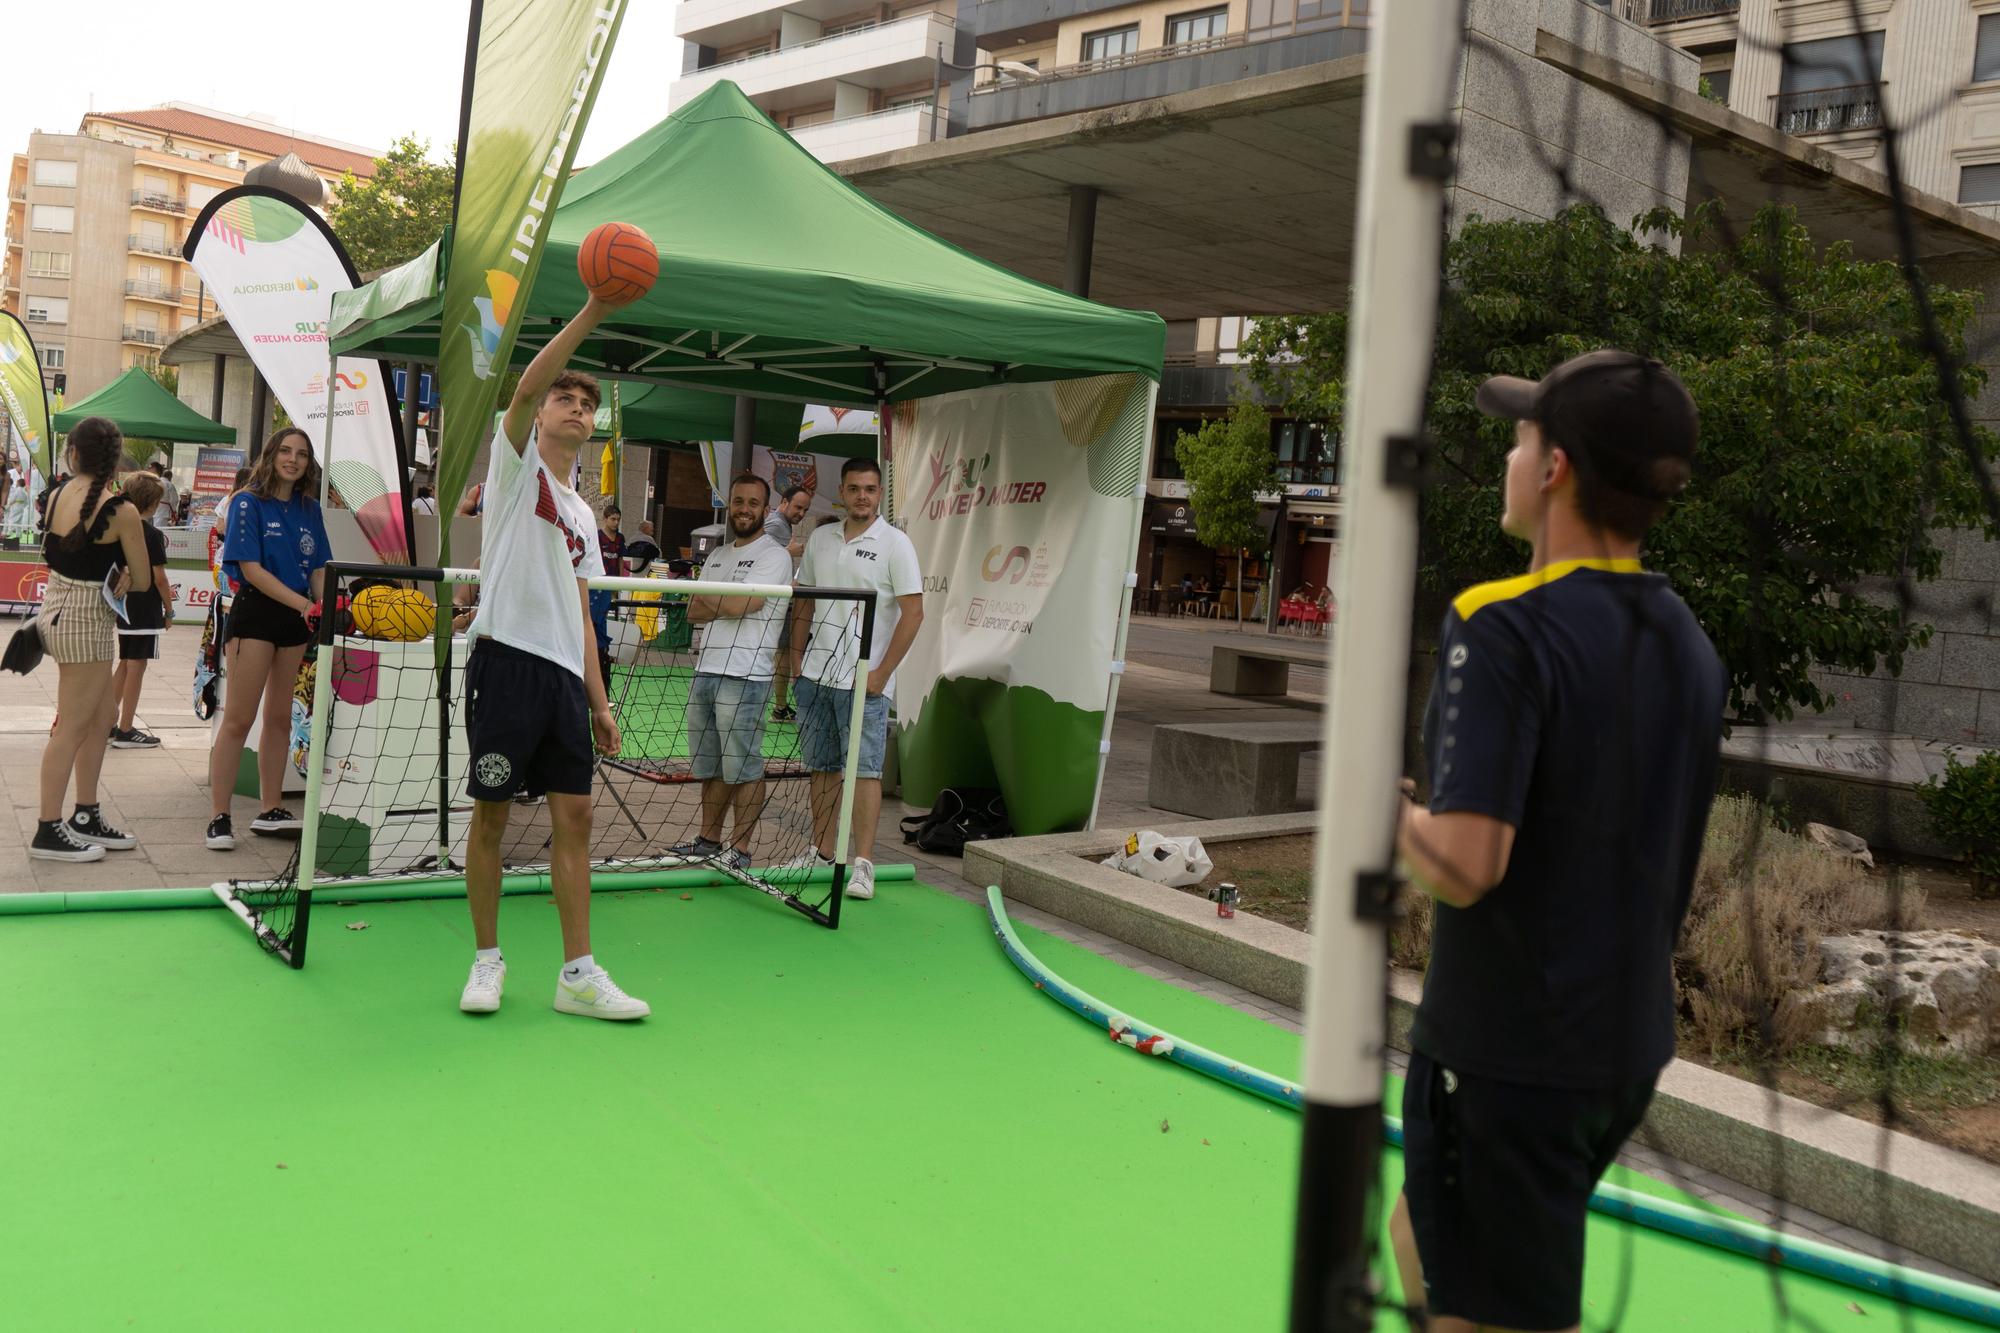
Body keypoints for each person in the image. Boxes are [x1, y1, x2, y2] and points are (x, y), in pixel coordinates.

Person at [1387, 351, 1725, 1333]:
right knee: (1422, 1239)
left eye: (1519, 436)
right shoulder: (1685, 640)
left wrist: (1382, 816)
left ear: (1553, 469)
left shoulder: (1498, 625)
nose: (1506, 453)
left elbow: (1462, 865)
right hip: (1617, 1051)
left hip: (1506, 1056)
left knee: (1490, 1311)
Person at [455, 290, 647, 1021]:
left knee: (576, 820)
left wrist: (600, 702)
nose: (572, 406)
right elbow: (527, 382)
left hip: (566, 680)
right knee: (492, 818)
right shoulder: (513, 472)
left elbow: (582, 613)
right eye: (562, 397)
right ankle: (486, 960)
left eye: (584, 402)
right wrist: (595, 309)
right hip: (505, 663)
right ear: (539, 416)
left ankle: (577, 974)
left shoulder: (581, 515)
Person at [784, 458, 922, 901]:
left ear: (879, 493)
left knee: (863, 774)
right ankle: (822, 853)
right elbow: (804, 601)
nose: (862, 496)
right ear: (841, 492)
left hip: (865, 683)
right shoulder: (821, 539)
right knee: (822, 769)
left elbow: (914, 614)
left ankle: (862, 864)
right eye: (854, 488)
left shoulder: (896, 544)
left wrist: (882, 674)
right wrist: (796, 660)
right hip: (816, 678)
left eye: (870, 489)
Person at [30, 417, 152, 861]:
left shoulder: (58, 493)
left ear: (74, 453)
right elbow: (141, 581)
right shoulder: (121, 511)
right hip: (85, 623)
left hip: (60, 612)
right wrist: (120, 576)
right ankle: (48, 828)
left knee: (102, 718)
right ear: (116, 458)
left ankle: (85, 813)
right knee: (73, 726)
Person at [204, 428, 331, 850]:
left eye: (302, 454)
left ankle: (270, 808)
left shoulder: (310, 508)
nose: (293, 460)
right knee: (239, 718)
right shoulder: (248, 502)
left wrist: (328, 604)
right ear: (271, 454)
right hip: (257, 614)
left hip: (296, 620)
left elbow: (317, 570)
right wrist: (304, 604)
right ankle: (219, 817)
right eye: (286, 451)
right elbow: (252, 569)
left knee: (280, 718)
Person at [671, 473, 793, 870]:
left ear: (766, 508)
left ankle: (739, 850)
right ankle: (708, 840)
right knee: (710, 765)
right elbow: (693, 611)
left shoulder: (774, 555)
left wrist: (719, 601)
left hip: (746, 676)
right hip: (706, 670)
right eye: (738, 501)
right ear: (729, 504)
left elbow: (746, 606)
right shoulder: (719, 556)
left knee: (743, 767)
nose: (744, 508)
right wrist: (730, 601)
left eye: (753, 502)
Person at [108, 472, 171, 749]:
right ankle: (125, 728)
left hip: (123, 603)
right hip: (145, 606)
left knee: (125, 662)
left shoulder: (119, 527)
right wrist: (169, 609)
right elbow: (159, 578)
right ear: (153, 503)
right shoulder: (152, 535)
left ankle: (107, 720)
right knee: (137, 666)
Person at [764, 485, 811, 721]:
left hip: (779, 599)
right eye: (798, 507)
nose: (801, 513)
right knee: (782, 655)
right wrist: (788, 551)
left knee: (781, 655)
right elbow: (759, 554)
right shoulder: (775, 524)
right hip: (774, 601)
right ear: (784, 502)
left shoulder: (781, 523)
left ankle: (780, 707)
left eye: (805, 509)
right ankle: (780, 707)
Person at [589, 504, 625, 685]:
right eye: (613, 519)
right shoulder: (596, 536)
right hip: (596, 583)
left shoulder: (620, 538)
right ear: (605, 519)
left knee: (602, 618)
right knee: (594, 618)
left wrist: (618, 584)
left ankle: (602, 651)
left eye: (618, 519)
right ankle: (595, 649)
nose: (616, 522)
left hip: (610, 584)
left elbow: (620, 560)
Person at [151, 460, 178, 529]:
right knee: (161, 528)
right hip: (164, 510)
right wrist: (174, 510)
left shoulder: (156, 482)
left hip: (155, 508)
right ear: (170, 477)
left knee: (155, 525)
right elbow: (174, 499)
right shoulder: (169, 484)